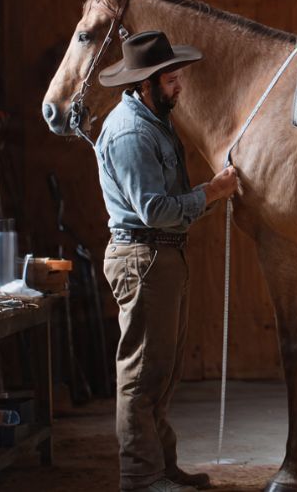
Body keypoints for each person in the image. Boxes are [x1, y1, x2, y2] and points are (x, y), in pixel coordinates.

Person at [93, 30, 239, 492]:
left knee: (161, 371)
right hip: (144, 256)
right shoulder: (132, 133)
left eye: (177, 77)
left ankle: (161, 467)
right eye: (171, 80)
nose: (179, 86)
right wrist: (210, 192)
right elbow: (154, 209)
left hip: (159, 254)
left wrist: (206, 195)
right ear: (145, 84)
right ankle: (141, 477)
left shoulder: (152, 120)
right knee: (141, 374)